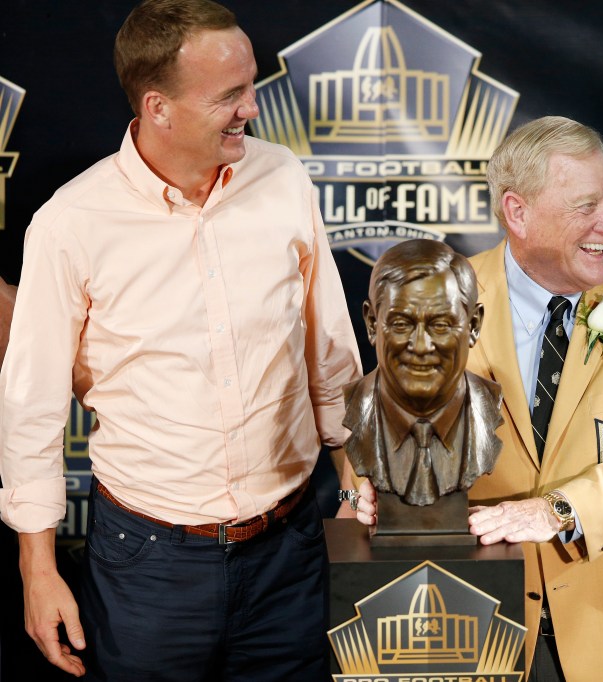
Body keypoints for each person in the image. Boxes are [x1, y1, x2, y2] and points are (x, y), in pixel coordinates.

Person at [0, 1, 362, 679]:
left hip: (291, 548)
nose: (251, 109)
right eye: (229, 95)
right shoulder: (69, 225)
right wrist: (37, 570)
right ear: (158, 107)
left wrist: (353, 468)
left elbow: (326, 342)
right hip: (148, 568)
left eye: (251, 86)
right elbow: (33, 409)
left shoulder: (282, 177)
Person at [354, 116, 603, 680]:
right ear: (517, 212)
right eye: (586, 206)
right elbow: (381, 429)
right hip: (471, 613)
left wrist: (557, 511)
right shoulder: (440, 298)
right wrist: (366, 489)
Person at [342, 239, 503, 509]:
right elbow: (348, 497)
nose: (420, 346)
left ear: (473, 326)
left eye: (440, 325)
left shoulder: (486, 407)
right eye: (401, 324)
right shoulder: (359, 408)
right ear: (372, 324)